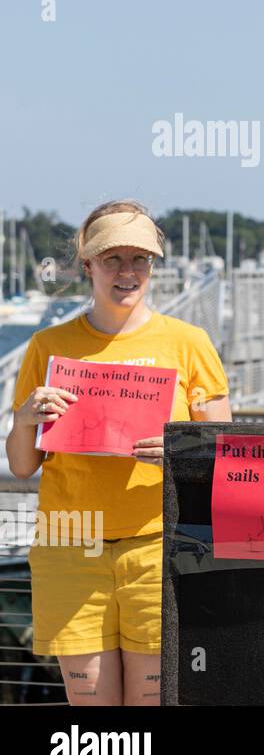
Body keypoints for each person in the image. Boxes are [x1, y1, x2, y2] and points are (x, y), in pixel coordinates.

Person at [5, 201, 231, 705]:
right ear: (87, 265)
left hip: (158, 543)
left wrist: (179, 449)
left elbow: (223, 453)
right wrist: (23, 419)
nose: (127, 272)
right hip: (71, 547)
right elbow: (22, 466)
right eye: (112, 259)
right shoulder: (48, 346)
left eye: (140, 260)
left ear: (154, 266)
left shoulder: (188, 343)